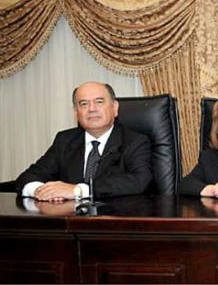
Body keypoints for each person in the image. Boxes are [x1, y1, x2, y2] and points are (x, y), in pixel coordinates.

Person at [15, 82, 152, 200]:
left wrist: (78, 191)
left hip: (114, 222)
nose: (92, 109)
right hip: (68, 222)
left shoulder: (135, 142)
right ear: (76, 113)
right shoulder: (65, 140)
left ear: (114, 108)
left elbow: (140, 181)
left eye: (99, 102)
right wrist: (42, 191)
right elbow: (29, 176)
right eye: (84, 104)